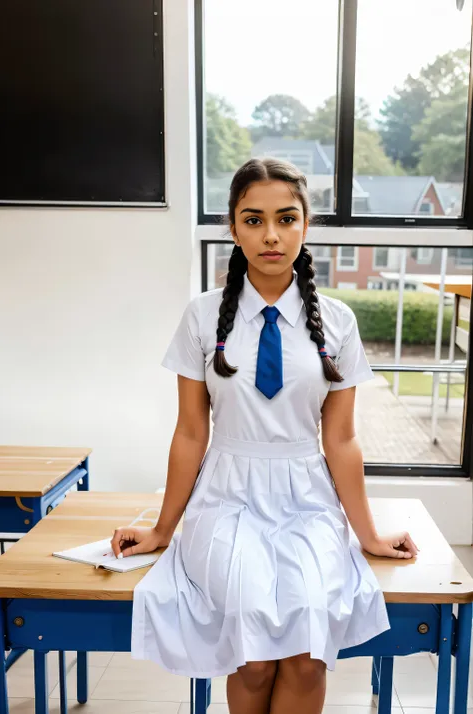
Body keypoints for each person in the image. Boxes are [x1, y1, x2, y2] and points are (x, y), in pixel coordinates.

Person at [112, 158, 418, 714]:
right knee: (252, 653)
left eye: (286, 218)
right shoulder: (203, 317)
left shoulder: (339, 322)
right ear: (233, 227)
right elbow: (189, 433)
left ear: (306, 226)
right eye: (253, 220)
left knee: (306, 651)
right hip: (226, 498)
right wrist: (162, 528)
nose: (271, 235)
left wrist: (368, 535)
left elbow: (342, 441)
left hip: (308, 501)